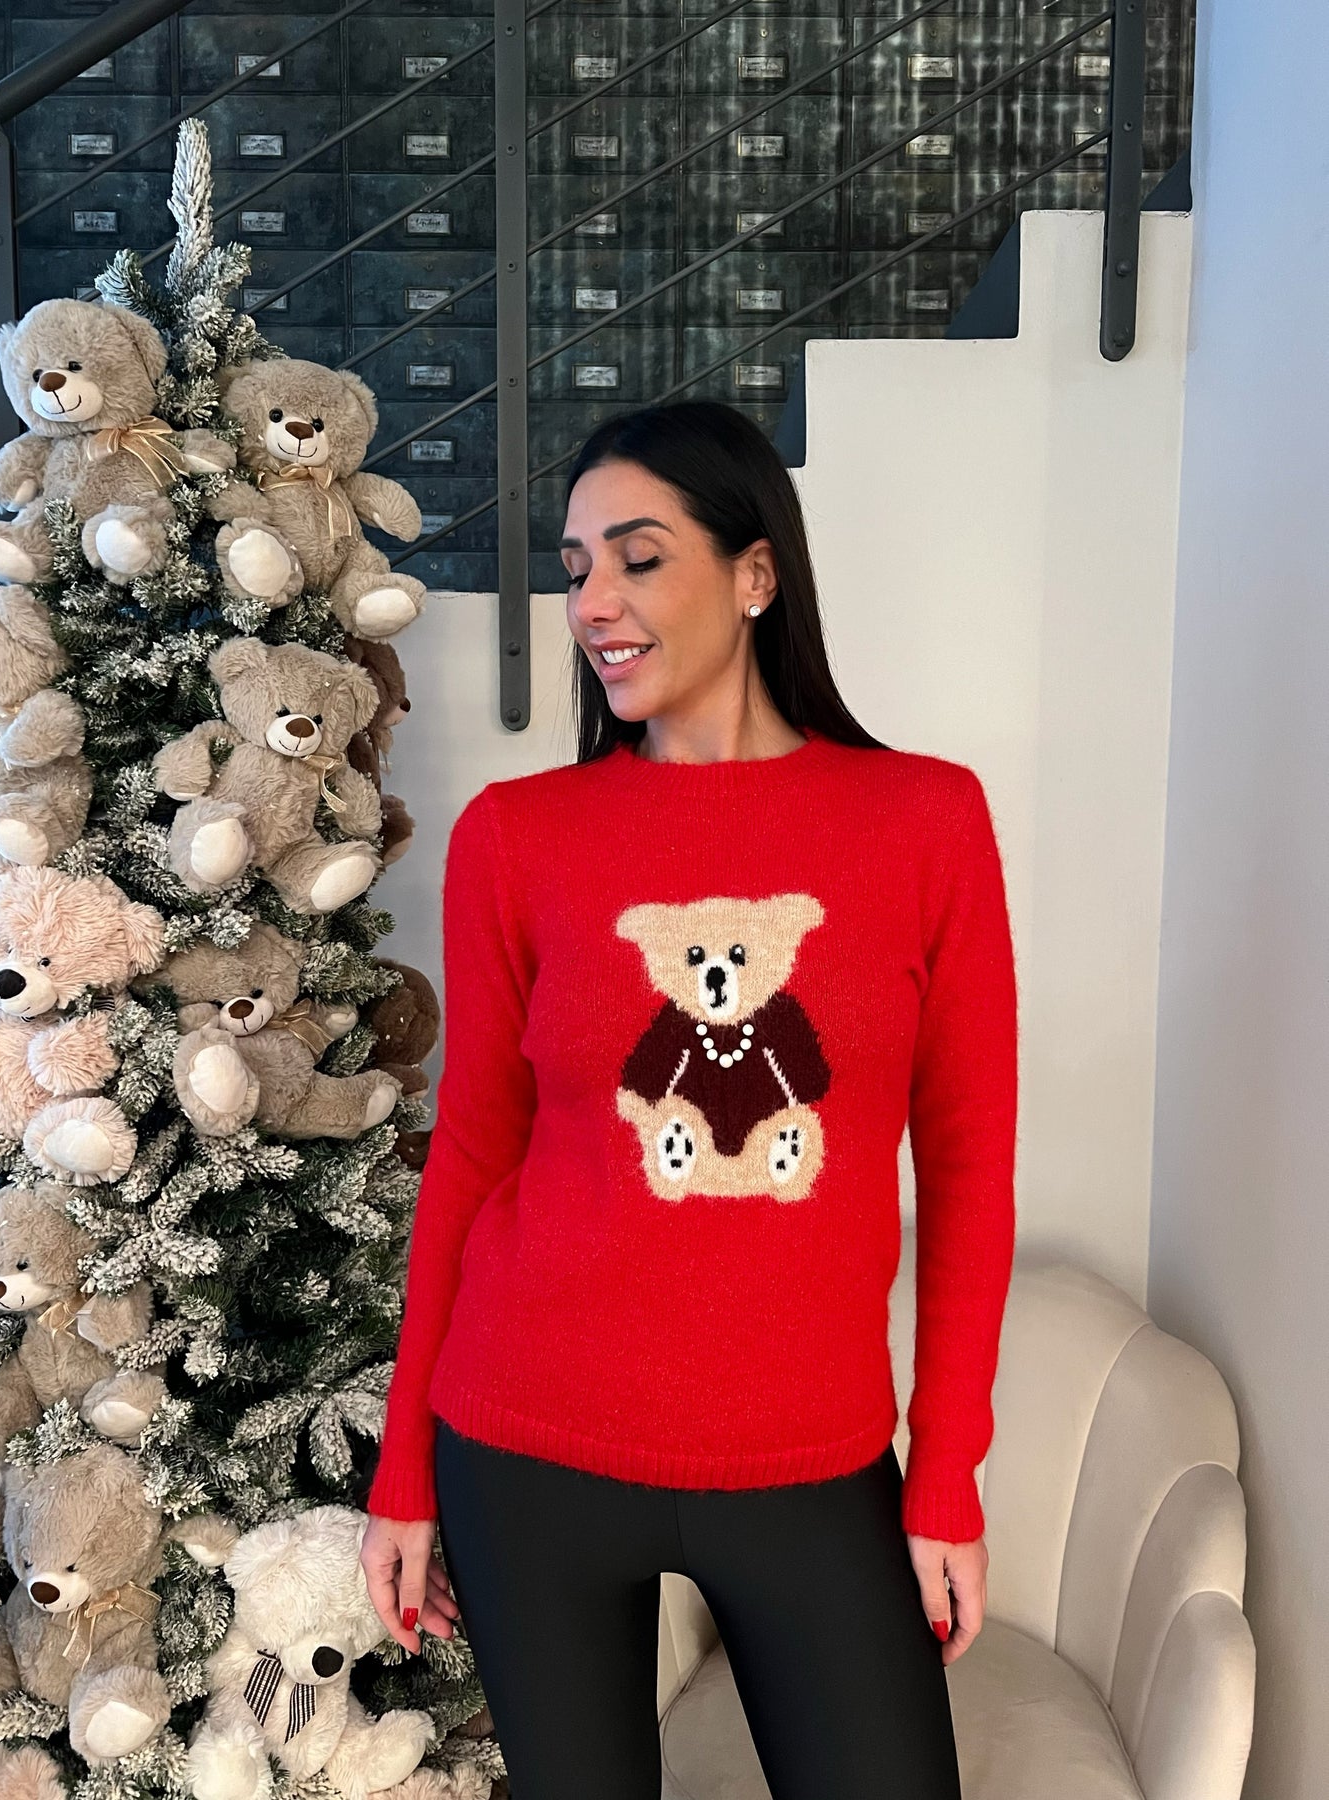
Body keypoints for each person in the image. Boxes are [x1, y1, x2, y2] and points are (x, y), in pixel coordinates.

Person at [360, 399, 1018, 1799]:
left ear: (755, 572)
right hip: (524, 1442)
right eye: (576, 565)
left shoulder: (924, 821)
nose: (591, 602)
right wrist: (403, 1468)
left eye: (638, 558)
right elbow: (472, 1153)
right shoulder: (516, 839)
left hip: (809, 1459)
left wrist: (946, 1471)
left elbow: (967, 1167)